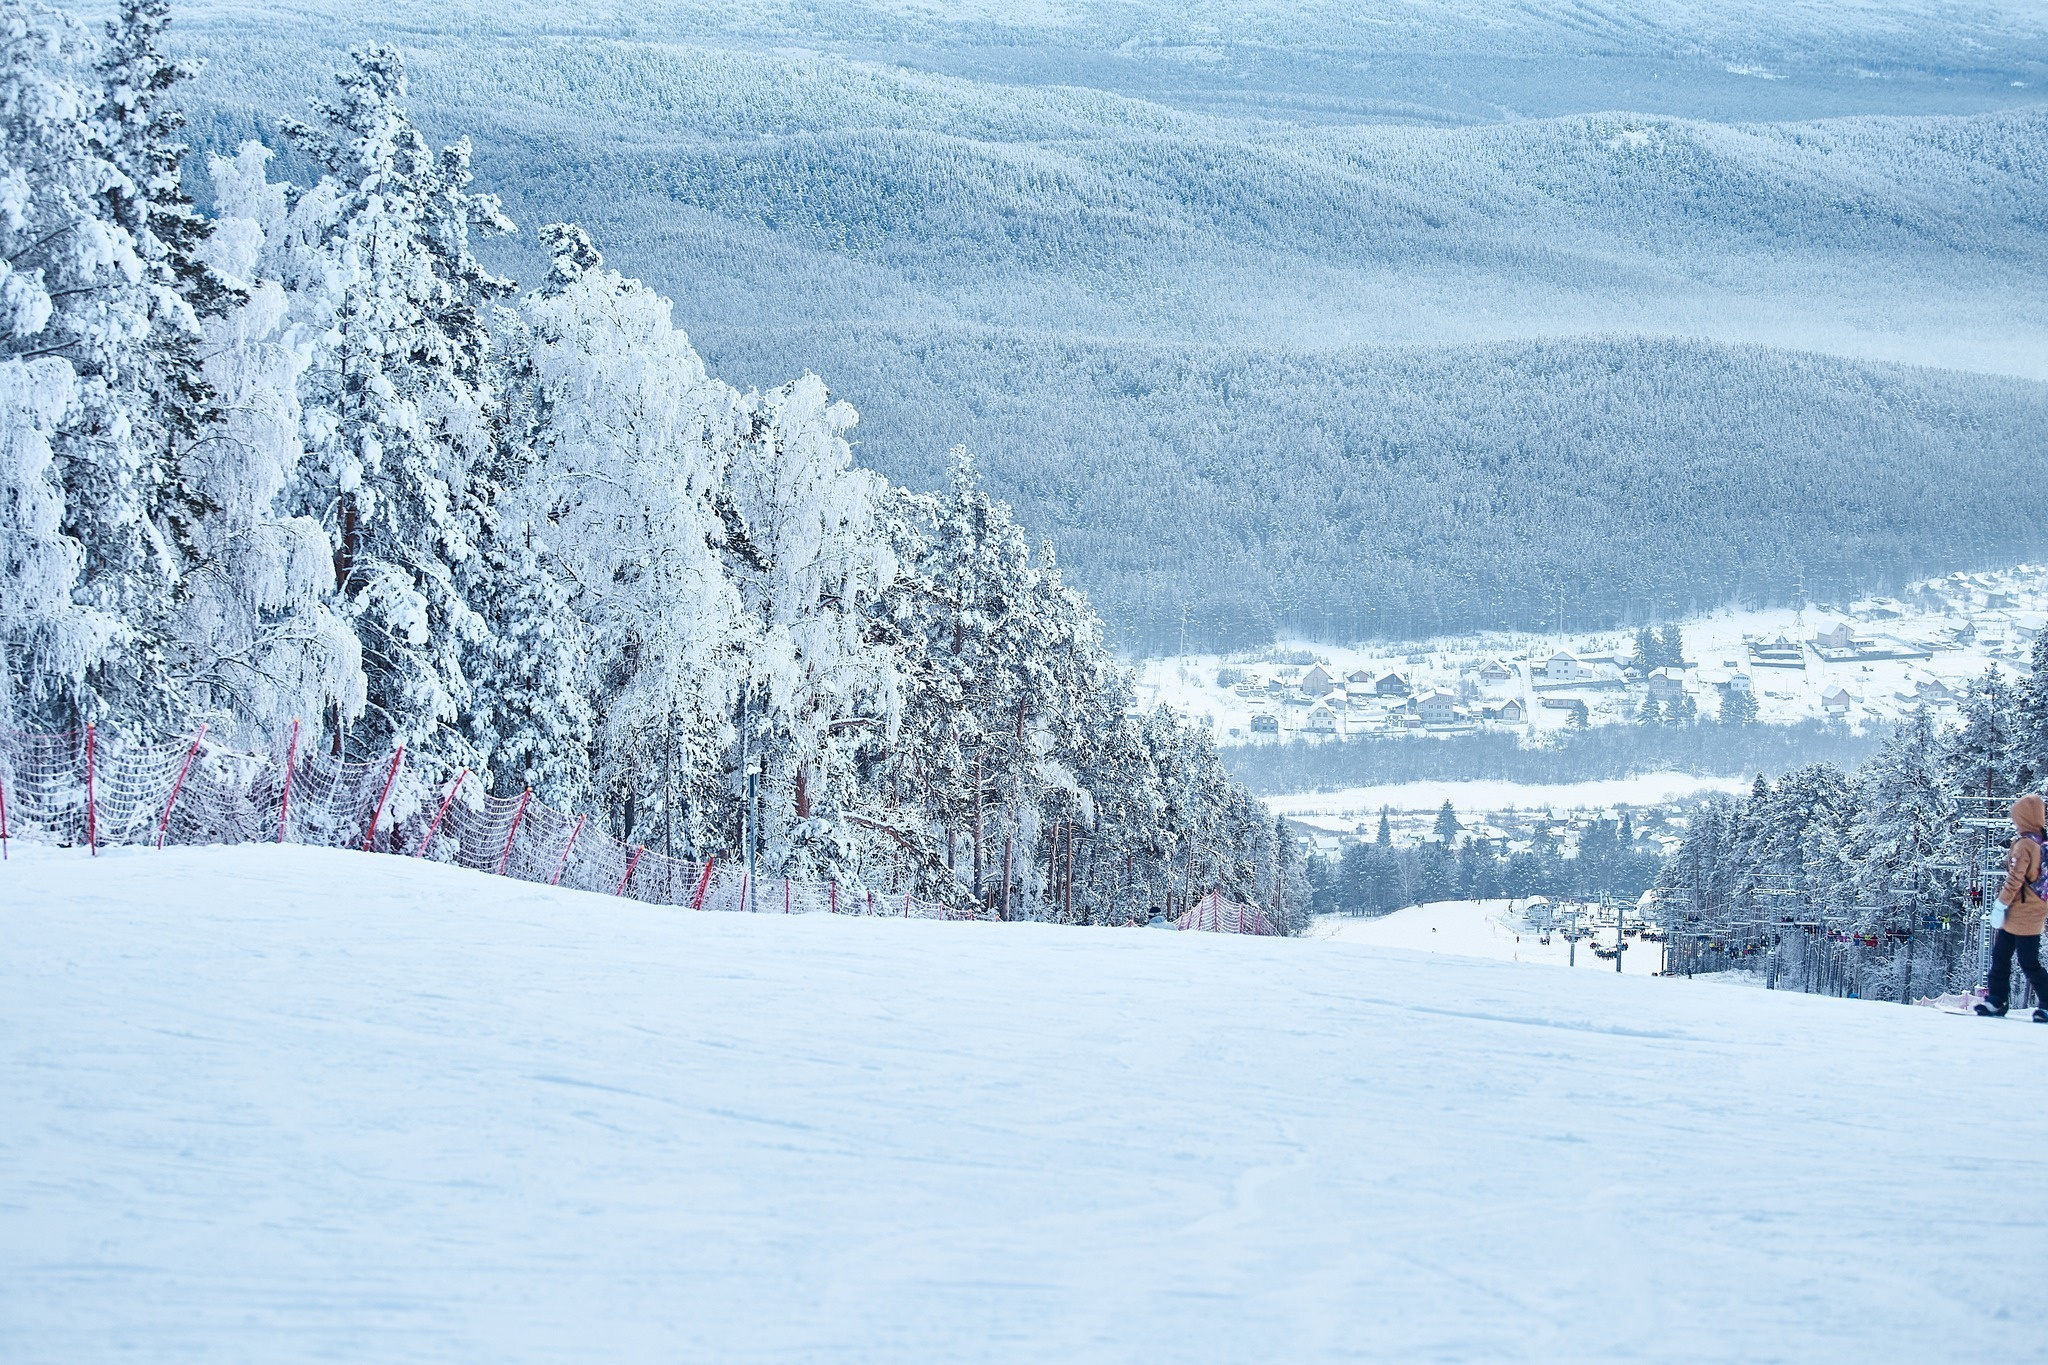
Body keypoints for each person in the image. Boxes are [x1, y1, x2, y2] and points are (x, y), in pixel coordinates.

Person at [1977, 793, 2048, 1020]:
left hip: (2021, 910)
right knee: (2012, 958)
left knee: (2019, 960)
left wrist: (2000, 904)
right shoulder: (2041, 841)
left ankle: (1998, 1000)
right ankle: (1997, 999)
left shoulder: (2025, 845)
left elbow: (2015, 879)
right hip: (2034, 909)